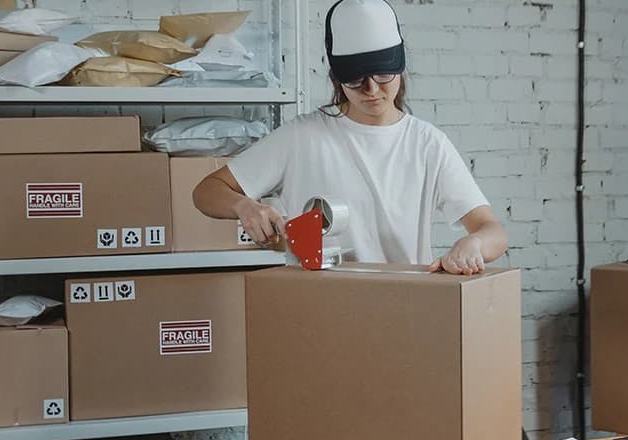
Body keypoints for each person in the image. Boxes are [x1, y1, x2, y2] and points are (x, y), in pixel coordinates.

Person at [193, 0, 507, 275]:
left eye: (383, 76)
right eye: (356, 80)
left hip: (404, 305)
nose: (371, 90)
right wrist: (244, 206)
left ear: (400, 68)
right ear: (336, 78)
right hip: (317, 307)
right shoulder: (302, 137)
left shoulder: (427, 144)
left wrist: (473, 243)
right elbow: (206, 191)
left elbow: (492, 230)